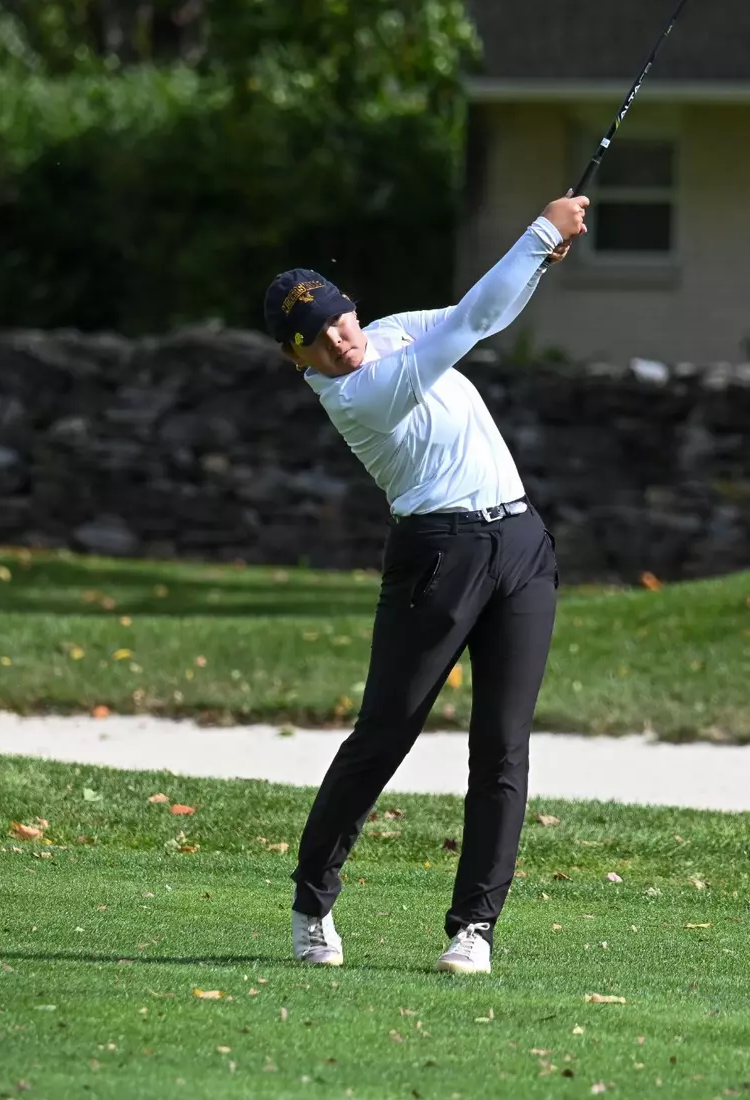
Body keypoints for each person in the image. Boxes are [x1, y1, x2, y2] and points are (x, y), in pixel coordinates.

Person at [263, 192, 590, 975]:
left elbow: (483, 311)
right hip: (438, 554)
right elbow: (470, 325)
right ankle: (313, 899)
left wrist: (539, 261)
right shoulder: (358, 394)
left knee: (502, 746)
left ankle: (473, 928)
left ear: (353, 310)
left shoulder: (387, 335)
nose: (338, 341)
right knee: (387, 731)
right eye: (315, 339)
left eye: (339, 321)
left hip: (520, 544)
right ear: (296, 358)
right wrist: (541, 230)